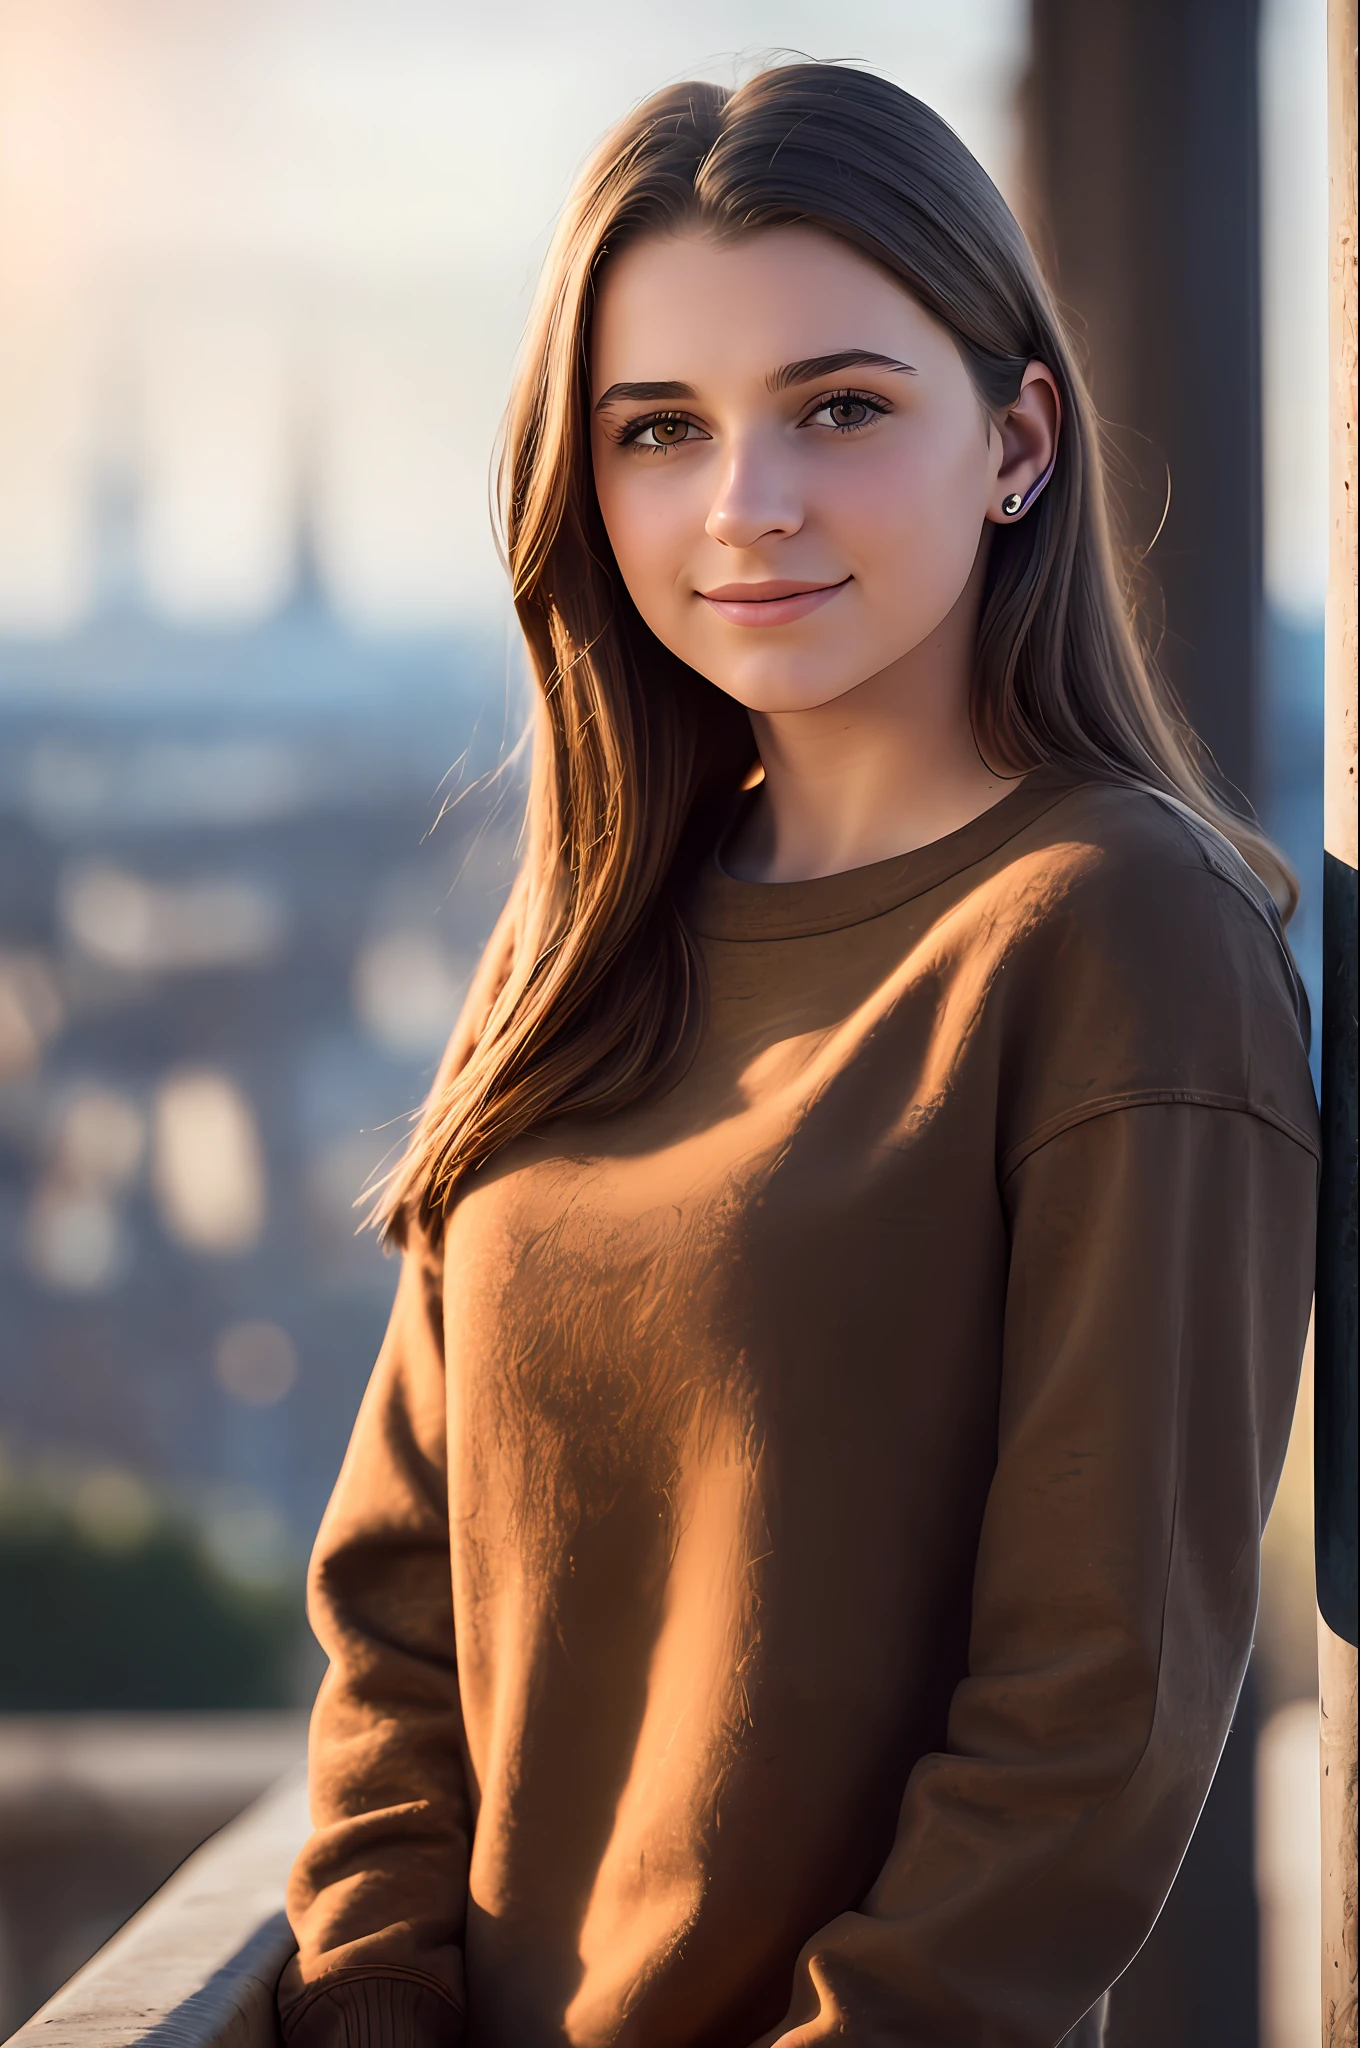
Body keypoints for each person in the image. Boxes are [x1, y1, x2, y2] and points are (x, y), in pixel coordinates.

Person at [277, 63, 1318, 2048]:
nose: (742, 503)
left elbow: (1079, 1732)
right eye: (656, 430)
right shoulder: (590, 926)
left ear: (1015, 443)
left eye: (837, 408)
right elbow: (398, 1613)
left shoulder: (1119, 935)